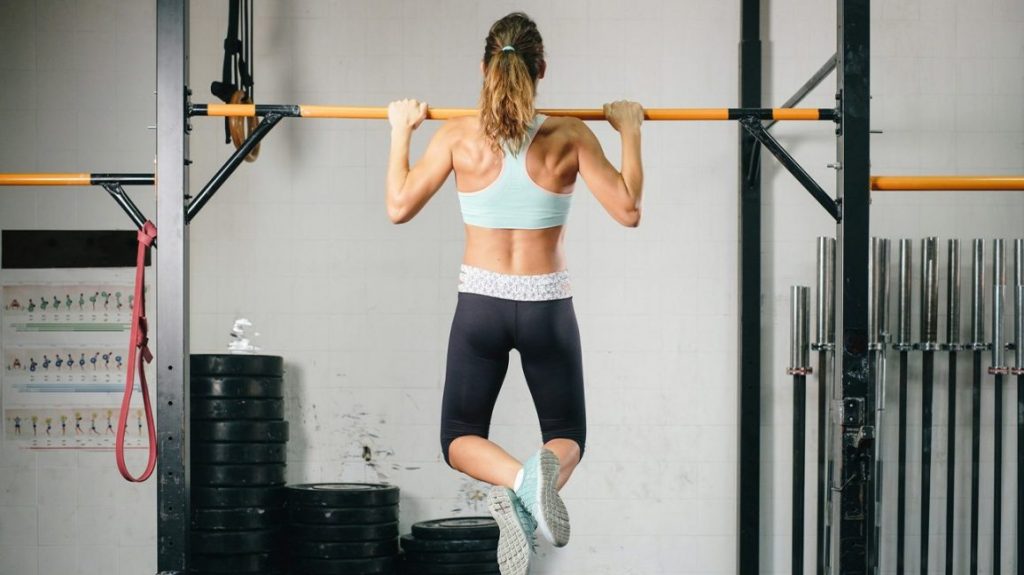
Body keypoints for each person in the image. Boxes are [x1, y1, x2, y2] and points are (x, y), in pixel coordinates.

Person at [386, 12, 643, 575]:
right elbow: (628, 211)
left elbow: (398, 207)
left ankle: (519, 484)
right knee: (568, 435)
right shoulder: (571, 134)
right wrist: (630, 131)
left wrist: (400, 130)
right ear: (542, 69)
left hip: (481, 304)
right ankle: (532, 487)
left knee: (458, 438)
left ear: (483, 68)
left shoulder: (456, 135)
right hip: (547, 304)